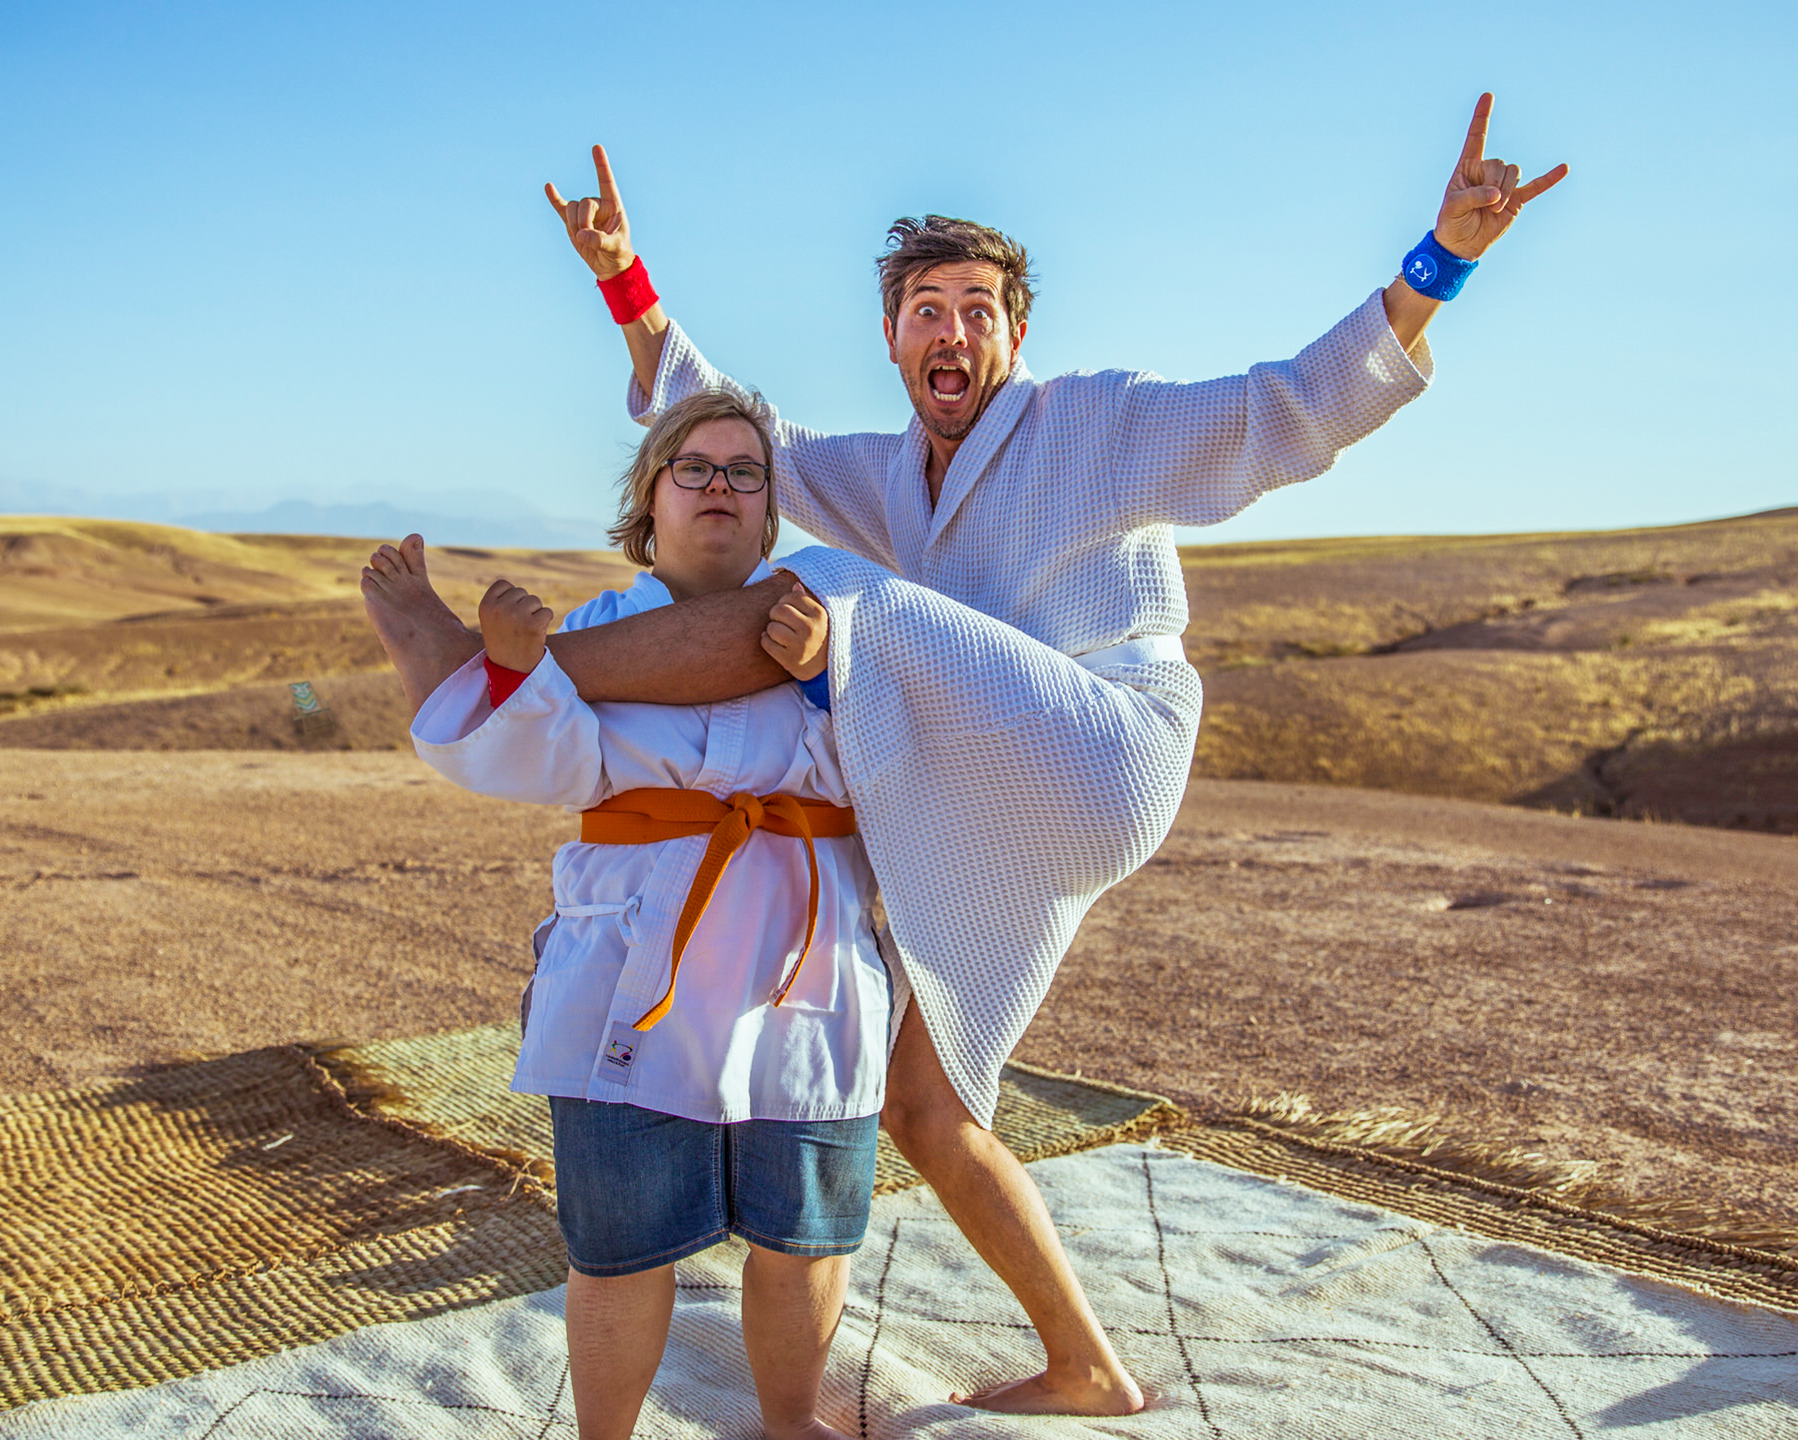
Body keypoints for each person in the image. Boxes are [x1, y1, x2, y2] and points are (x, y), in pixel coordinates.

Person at [361, 92, 1564, 1415]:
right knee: (921, 1104)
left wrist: (1440, 262)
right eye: (926, 308)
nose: (952, 329)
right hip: (996, 786)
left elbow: (1282, 411)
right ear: (891, 338)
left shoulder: (1096, 425)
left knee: (823, 594)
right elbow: (737, 438)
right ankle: (1088, 1364)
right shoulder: (883, 474)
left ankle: (519, 687)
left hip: (1104, 743)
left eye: (977, 308)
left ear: (1016, 332)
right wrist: (625, 285)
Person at [391, 389, 887, 1440]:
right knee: (619, 1244)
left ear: (768, 512)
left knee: (805, 1234)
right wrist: (525, 673)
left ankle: (790, 1423)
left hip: (802, 962)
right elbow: (540, 760)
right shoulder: (598, 634)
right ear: (648, 500)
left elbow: (903, 770)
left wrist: (823, 680)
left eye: (744, 472)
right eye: (692, 468)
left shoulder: (836, 627)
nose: (719, 487)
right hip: (634, 965)